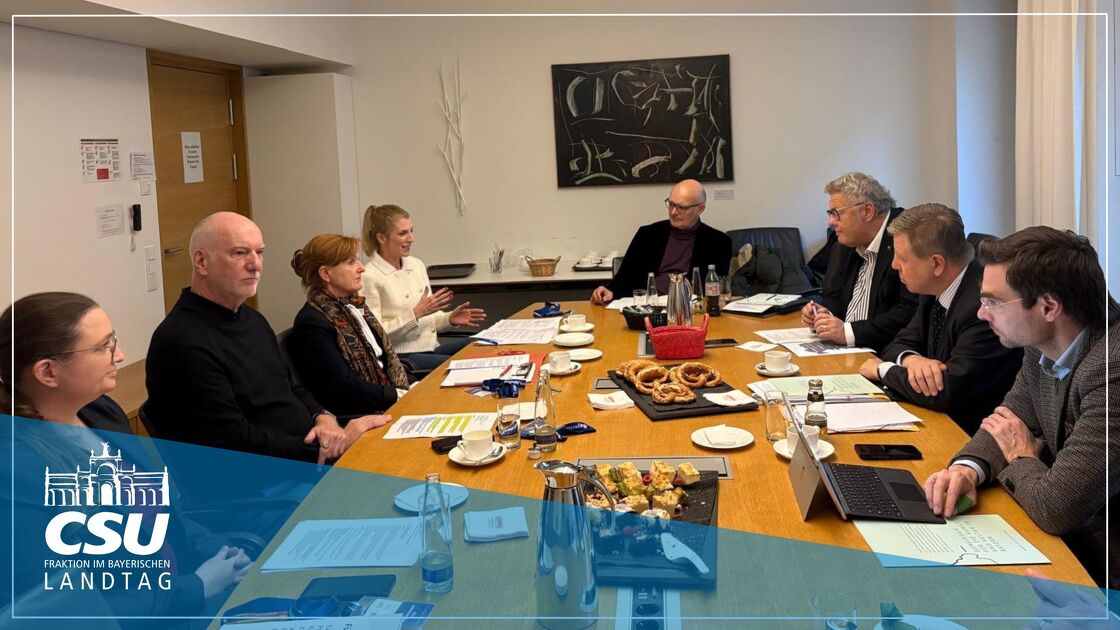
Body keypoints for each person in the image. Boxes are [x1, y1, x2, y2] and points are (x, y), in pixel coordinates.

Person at [0, 292, 252, 619]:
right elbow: (68, 605)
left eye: (113, 341)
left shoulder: (100, 410)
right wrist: (197, 587)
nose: (119, 355)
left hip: (191, 588)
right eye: (103, 347)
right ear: (48, 372)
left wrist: (223, 553)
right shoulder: (16, 469)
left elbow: (160, 514)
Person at [922, 227, 1119, 589]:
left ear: (1048, 307)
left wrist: (1019, 457)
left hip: (1103, 571)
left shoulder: (1112, 371)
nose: (981, 313)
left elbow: (1056, 508)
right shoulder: (1041, 342)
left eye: (993, 302)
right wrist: (967, 470)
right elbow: (1008, 419)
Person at [146, 212, 387, 466]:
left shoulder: (252, 318)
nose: (256, 265)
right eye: (239, 253)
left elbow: (291, 386)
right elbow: (235, 443)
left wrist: (323, 416)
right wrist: (331, 448)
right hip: (266, 477)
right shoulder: (182, 342)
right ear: (201, 262)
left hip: (306, 453)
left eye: (259, 252)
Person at [857, 204, 1021, 434]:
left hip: (971, 433)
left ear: (936, 264)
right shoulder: (934, 287)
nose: (894, 265)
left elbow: (947, 391)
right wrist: (912, 360)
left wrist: (883, 370)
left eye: (902, 258)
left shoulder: (984, 307)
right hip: (938, 421)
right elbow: (897, 344)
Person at [288, 234, 410, 416]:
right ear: (325, 274)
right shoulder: (312, 323)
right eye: (351, 262)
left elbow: (382, 362)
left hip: (385, 397)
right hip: (363, 414)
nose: (361, 268)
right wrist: (398, 395)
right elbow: (344, 388)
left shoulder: (353, 306)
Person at [360, 203, 486, 371]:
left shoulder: (416, 265)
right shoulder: (369, 276)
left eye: (411, 231)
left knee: (484, 344)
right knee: (468, 365)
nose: (411, 238)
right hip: (401, 358)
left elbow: (430, 319)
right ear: (381, 238)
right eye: (403, 233)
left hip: (431, 349)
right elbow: (375, 335)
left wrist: (449, 319)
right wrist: (415, 313)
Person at [800, 172, 917, 353]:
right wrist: (823, 315)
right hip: (846, 350)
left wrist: (848, 332)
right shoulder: (846, 242)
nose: (830, 222)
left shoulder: (906, 237)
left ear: (867, 211)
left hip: (887, 352)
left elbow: (910, 311)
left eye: (836, 213)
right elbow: (834, 296)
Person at [591, 179, 732, 305]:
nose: (673, 212)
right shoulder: (648, 234)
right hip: (646, 307)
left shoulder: (718, 242)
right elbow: (625, 277)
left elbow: (713, 290)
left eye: (681, 207)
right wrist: (609, 291)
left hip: (690, 309)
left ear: (700, 209)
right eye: (671, 204)